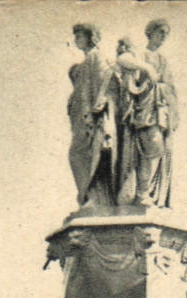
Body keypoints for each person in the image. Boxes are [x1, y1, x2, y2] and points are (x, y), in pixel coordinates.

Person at [113, 20, 175, 208]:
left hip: (158, 110)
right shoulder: (140, 53)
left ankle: (144, 193)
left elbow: (170, 87)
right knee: (151, 147)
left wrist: (164, 90)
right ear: (150, 33)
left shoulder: (163, 60)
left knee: (157, 149)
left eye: (166, 33)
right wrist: (146, 68)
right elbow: (122, 59)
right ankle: (141, 194)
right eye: (160, 32)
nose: (163, 36)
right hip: (142, 110)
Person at [66, 24, 116, 207]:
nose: (77, 39)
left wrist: (98, 108)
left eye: (80, 35)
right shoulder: (87, 60)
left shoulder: (96, 56)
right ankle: (89, 196)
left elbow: (105, 81)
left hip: (93, 120)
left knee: (83, 154)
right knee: (81, 155)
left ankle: (92, 197)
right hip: (83, 121)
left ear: (91, 37)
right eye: (76, 36)